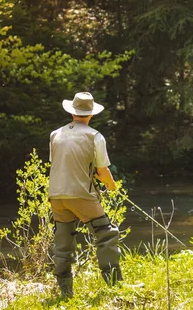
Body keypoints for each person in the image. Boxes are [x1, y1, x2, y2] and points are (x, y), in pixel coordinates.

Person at [49, 92, 121, 298]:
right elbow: (102, 171)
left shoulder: (55, 134)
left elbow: (61, 163)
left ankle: (65, 292)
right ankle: (114, 284)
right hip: (81, 194)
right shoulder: (95, 136)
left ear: (72, 112)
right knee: (106, 233)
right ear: (90, 114)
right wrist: (111, 185)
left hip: (56, 195)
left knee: (63, 241)